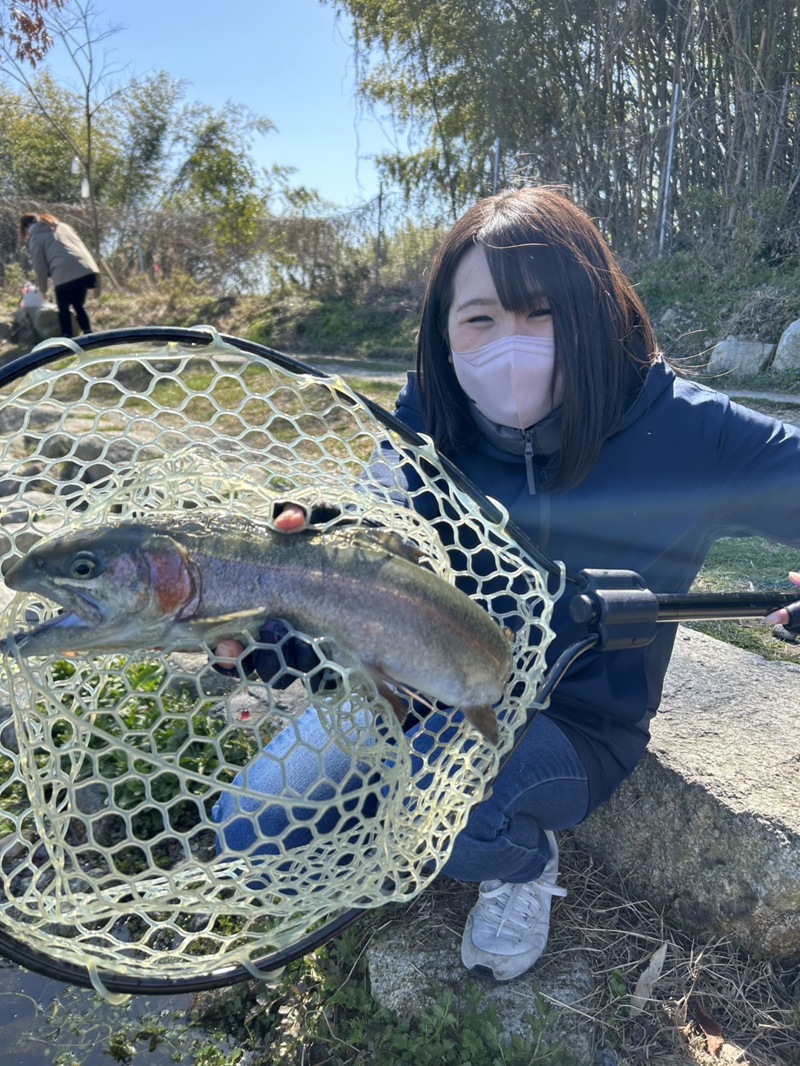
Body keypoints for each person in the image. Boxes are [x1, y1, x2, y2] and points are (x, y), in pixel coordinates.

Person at [213, 185, 800, 982]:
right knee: (255, 833)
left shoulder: (692, 430)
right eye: (480, 319)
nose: (511, 344)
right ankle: (420, 805)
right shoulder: (430, 412)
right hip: (432, 682)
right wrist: (314, 565)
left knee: (453, 821)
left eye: (542, 313)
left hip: (579, 717)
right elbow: (373, 516)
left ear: (594, 310)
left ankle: (521, 860)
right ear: (446, 334)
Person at [20, 213, 99, 337]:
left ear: (27, 226)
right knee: (78, 305)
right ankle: (89, 334)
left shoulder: (35, 237)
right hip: (85, 269)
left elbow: (40, 267)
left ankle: (67, 337)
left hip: (64, 272)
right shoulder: (62, 227)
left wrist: (42, 290)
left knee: (63, 308)